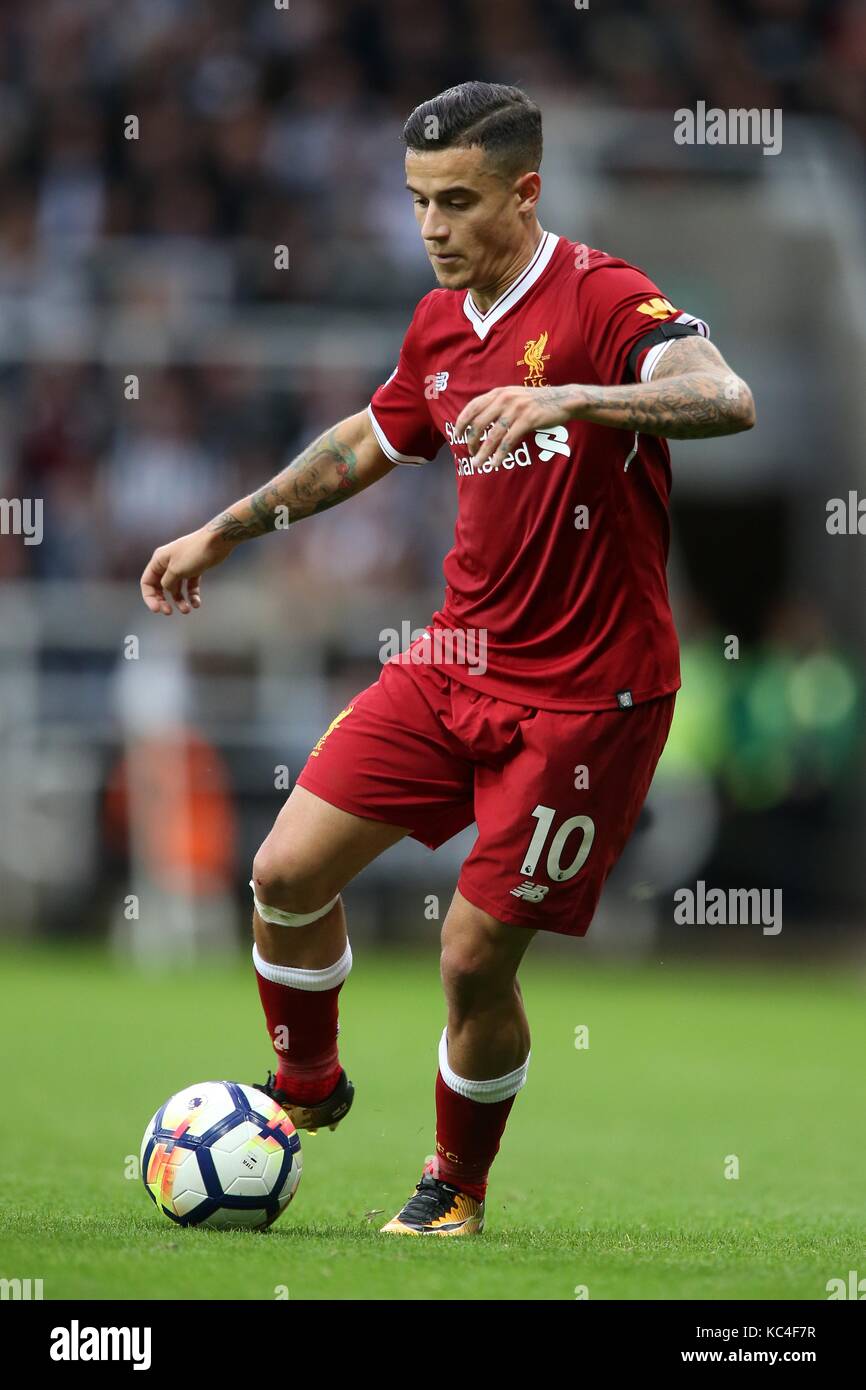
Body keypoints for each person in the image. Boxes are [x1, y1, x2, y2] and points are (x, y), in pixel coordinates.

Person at [139, 81, 755, 1237]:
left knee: (470, 959)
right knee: (280, 876)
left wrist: (576, 395)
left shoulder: (601, 296)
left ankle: (453, 1187)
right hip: (454, 662)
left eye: (457, 202)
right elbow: (365, 442)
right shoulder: (439, 321)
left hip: (586, 700)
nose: (430, 227)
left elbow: (725, 396)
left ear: (524, 194)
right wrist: (224, 529)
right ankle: (306, 1088)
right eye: (417, 201)